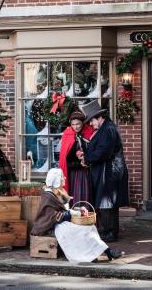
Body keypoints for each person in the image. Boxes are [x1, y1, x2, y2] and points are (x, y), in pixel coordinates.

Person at [31, 168, 123, 262]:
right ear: (57, 180)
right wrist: (72, 213)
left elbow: (64, 210)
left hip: (60, 223)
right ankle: (100, 253)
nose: (65, 178)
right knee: (80, 230)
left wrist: (79, 210)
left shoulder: (58, 191)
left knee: (90, 227)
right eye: (62, 177)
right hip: (51, 228)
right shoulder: (48, 196)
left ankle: (105, 252)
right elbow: (52, 217)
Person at [79, 100, 129, 243]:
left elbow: (103, 151)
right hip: (108, 171)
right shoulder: (106, 128)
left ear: (99, 117)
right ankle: (109, 231)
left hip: (110, 173)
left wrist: (87, 158)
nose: (90, 124)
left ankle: (109, 233)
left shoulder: (107, 129)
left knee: (106, 202)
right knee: (107, 203)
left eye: (91, 121)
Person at [59, 111, 94, 206]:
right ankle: (74, 216)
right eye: (73, 124)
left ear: (83, 122)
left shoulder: (90, 132)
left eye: (78, 124)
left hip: (86, 171)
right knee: (73, 194)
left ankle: (85, 215)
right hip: (72, 171)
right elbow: (64, 156)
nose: (76, 127)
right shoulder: (68, 133)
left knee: (85, 193)